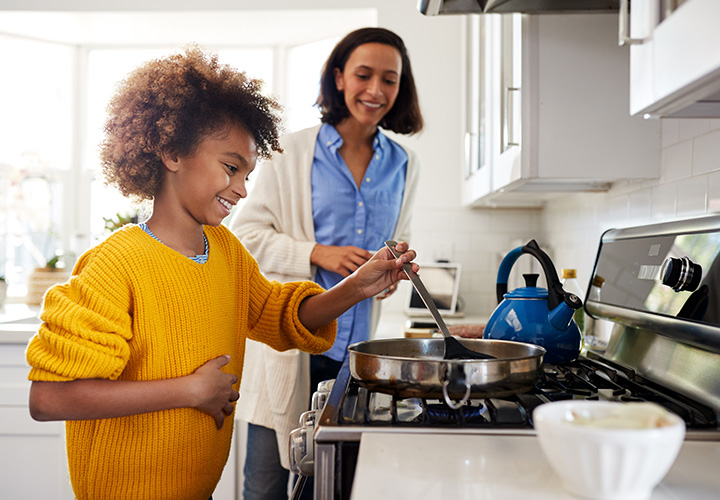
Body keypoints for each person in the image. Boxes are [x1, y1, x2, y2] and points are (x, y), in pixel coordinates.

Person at [24, 46, 417, 500]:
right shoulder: (117, 264)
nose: (242, 189)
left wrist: (357, 286)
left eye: (247, 174)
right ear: (172, 152)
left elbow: (280, 316)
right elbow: (50, 398)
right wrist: (190, 390)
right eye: (231, 168)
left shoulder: (226, 251)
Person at [230, 27, 423, 499]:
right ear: (339, 78)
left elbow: (400, 240)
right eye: (363, 75)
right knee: (267, 488)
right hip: (287, 353)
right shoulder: (288, 153)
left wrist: (393, 271)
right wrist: (316, 254)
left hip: (357, 362)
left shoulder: (405, 164)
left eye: (389, 79)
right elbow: (244, 237)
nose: (376, 90)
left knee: (340, 488)